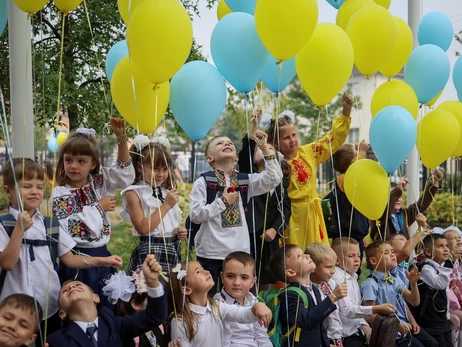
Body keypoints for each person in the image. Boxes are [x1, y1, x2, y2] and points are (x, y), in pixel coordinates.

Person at [0, 158, 122, 342]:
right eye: (26, 186)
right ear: (8, 191)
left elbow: (71, 259)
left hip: (50, 308)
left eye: (39, 187)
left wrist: (102, 261)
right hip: (16, 311)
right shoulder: (4, 224)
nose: (34, 191)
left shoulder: (50, 225)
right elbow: (7, 263)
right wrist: (19, 229)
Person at [52, 118, 135, 305]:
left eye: (81, 161)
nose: (74, 166)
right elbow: (71, 227)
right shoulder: (61, 193)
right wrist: (99, 207)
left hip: (103, 255)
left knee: (106, 305)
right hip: (76, 261)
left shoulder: (99, 182)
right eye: (68, 160)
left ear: (92, 163)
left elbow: (124, 176)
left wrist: (122, 139)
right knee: (79, 307)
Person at [189, 134, 282, 294]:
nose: (226, 143)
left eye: (230, 142)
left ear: (237, 157)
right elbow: (196, 215)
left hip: (239, 251)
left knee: (237, 297)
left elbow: (274, 178)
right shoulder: (203, 182)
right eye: (219, 143)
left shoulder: (244, 180)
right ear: (209, 158)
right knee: (207, 296)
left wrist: (264, 146)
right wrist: (222, 202)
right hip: (211, 252)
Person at [265, 93, 353, 250]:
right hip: (291, 217)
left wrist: (346, 111)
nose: (292, 140)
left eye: (294, 135)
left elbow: (331, 140)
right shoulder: (274, 163)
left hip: (313, 215)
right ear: (275, 142)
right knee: (296, 257)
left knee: (318, 255)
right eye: (286, 138)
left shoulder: (309, 152)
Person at [46, 255, 168, 347]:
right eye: (65, 290)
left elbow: (155, 316)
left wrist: (152, 283)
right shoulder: (56, 341)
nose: (72, 287)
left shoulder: (116, 325)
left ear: (96, 297)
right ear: (62, 313)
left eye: (78, 285)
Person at [238, 109, 291, 290]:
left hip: (269, 238)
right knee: (248, 274)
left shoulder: (279, 181)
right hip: (251, 235)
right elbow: (246, 151)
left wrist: (275, 229)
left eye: (268, 148)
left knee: (267, 279)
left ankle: (267, 311)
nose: (263, 149)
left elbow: (285, 208)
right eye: (259, 148)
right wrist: (254, 128)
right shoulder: (248, 175)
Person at [121, 135, 187, 274]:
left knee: (171, 291)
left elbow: (166, 223)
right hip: (151, 250)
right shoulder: (134, 193)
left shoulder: (165, 192)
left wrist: (178, 233)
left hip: (172, 248)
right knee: (150, 291)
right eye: (155, 168)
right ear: (139, 167)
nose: (161, 174)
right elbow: (143, 228)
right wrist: (166, 205)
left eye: (165, 169)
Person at [168, 260, 273, 347]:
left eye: (203, 268)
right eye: (198, 272)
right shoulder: (180, 321)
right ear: (187, 290)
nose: (206, 271)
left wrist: (257, 307)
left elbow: (242, 315)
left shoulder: (217, 306)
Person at [269, 244, 348, 347]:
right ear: (290, 272)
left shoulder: (314, 289)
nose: (307, 256)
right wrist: (332, 297)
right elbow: (306, 321)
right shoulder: (289, 295)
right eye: (299, 256)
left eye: (303, 253)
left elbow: (319, 324)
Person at [361, 241, 437, 347]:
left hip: (403, 325)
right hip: (387, 332)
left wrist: (413, 283)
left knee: (433, 343)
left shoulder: (394, 280)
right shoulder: (370, 284)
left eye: (392, 251)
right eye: (386, 252)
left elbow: (414, 301)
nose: (392, 254)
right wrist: (396, 325)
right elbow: (369, 314)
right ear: (374, 260)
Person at [331, 237, 396, 347]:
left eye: (358, 256)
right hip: (343, 336)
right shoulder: (338, 279)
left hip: (355, 331)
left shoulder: (353, 277)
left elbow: (357, 309)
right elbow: (349, 310)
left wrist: (367, 329)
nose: (356, 260)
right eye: (351, 256)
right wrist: (377, 308)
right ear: (337, 260)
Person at [212, 251, 272, 347]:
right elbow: (222, 340)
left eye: (244, 277)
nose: (237, 282)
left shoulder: (254, 301)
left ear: (253, 281)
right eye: (230, 276)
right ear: (222, 277)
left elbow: (262, 337)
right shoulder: (217, 303)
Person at [327, 140, 370, 268]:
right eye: (355, 151)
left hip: (354, 236)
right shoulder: (345, 179)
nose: (358, 153)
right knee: (346, 269)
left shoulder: (347, 180)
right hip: (345, 239)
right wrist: (362, 152)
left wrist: (361, 234)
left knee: (354, 271)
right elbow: (358, 172)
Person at [370, 170, 443, 241]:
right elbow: (386, 211)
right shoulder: (378, 215)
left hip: (403, 252)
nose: (398, 199)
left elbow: (422, 204)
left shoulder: (404, 214)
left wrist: (434, 182)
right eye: (394, 196)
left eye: (400, 196)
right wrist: (398, 189)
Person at [102, 269, 168, 347]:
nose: (156, 302)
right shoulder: (132, 338)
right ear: (136, 304)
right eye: (150, 298)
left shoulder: (158, 327)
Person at [412, 234, 453, 346]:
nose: (446, 249)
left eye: (447, 246)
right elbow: (440, 284)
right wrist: (449, 263)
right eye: (440, 246)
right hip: (431, 322)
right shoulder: (426, 268)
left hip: (442, 319)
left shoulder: (441, 268)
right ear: (429, 252)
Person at [305, 242, 344, 346]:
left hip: (336, 336)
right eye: (328, 267)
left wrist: (337, 338)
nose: (333, 272)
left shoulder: (331, 283)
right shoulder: (307, 289)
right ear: (313, 267)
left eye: (334, 267)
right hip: (320, 340)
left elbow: (337, 314)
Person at [387, 213, 429, 286]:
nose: (407, 241)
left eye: (407, 239)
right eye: (401, 239)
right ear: (389, 246)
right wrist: (420, 228)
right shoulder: (388, 261)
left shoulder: (403, 265)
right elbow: (405, 253)